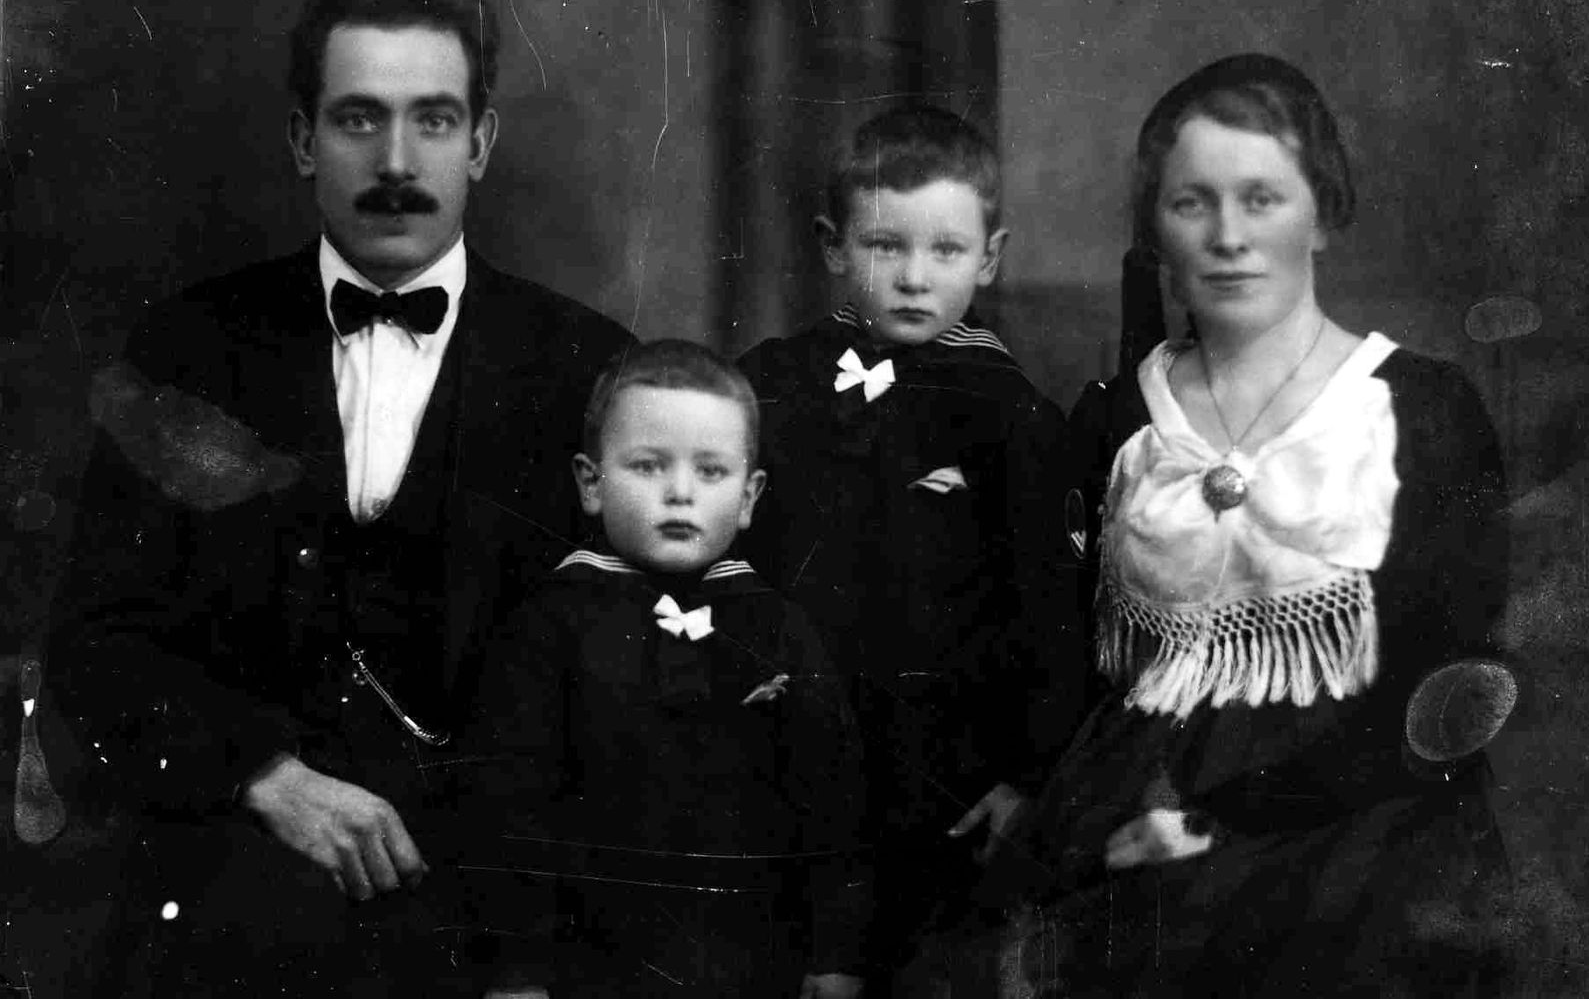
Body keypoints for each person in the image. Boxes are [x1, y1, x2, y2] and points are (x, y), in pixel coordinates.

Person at [47, 0, 632, 996]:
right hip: (234, 906)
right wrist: (266, 776)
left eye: (434, 120)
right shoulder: (190, 349)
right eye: (359, 118)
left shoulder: (588, 368)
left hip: (493, 927)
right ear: (301, 139)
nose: (396, 161)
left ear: (481, 142)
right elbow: (95, 646)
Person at [992, 54, 1510, 996]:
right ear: (1155, 228)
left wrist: (1225, 822)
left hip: (1356, 826)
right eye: (1192, 203)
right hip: (1128, 823)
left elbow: (1453, 683)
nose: (1228, 236)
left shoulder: (1423, 410)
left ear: (1324, 214)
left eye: (1262, 199)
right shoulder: (1115, 418)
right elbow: (1064, 660)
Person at [736, 106, 1085, 988]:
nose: (915, 277)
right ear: (832, 246)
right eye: (885, 246)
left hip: (944, 767)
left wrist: (1029, 776)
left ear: (990, 258)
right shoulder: (772, 382)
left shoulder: (1012, 415)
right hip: (786, 747)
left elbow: (1052, 609)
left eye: (947, 251)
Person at [459, 340, 869, 998]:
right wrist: (518, 973)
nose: (680, 493)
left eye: (711, 472)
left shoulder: (779, 628)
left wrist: (836, 957)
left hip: (752, 963)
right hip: (588, 969)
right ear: (591, 483)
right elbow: (511, 812)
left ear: (749, 495)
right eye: (648, 466)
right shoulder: (550, 623)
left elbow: (833, 801)